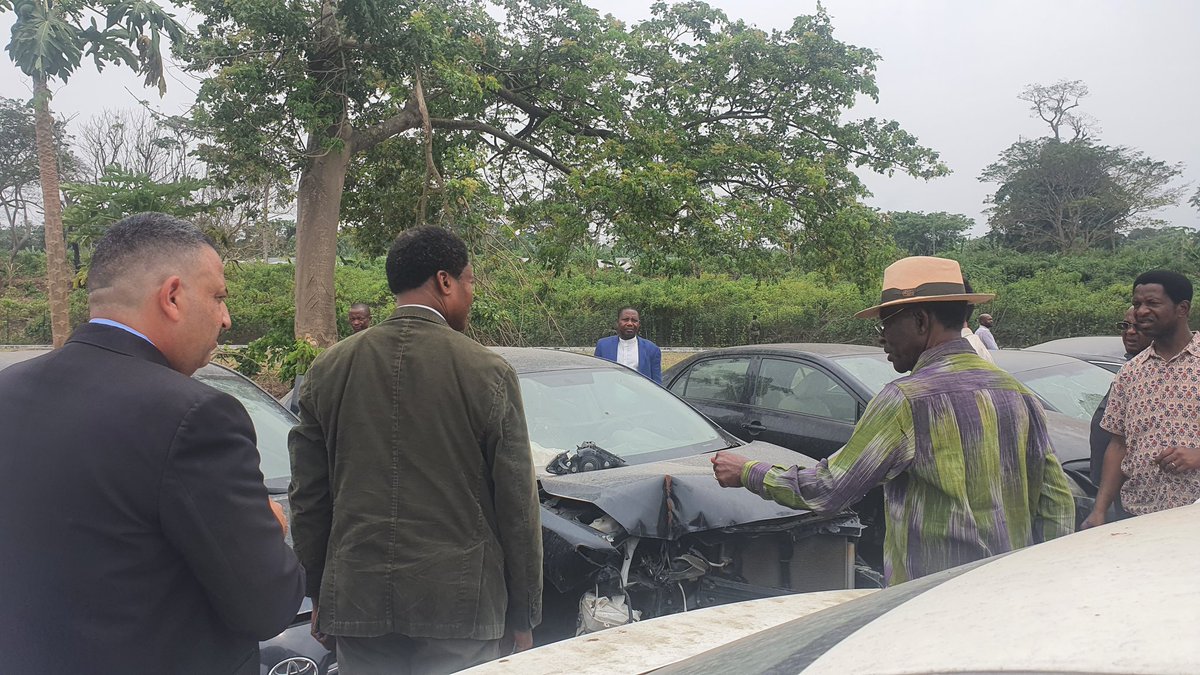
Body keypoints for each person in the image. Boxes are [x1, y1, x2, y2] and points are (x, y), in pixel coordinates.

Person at [0, 212, 305, 673]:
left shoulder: (10, 390)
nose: (226, 318)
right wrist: (270, 526)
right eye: (219, 297)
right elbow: (268, 607)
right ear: (173, 296)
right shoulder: (195, 417)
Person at [710, 256, 1074, 585]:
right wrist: (1043, 581)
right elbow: (1057, 499)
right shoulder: (1017, 392)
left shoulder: (906, 399)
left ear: (920, 320)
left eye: (886, 323)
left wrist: (748, 471)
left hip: (929, 600)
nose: (882, 338)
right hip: (1007, 590)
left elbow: (830, 490)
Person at [289, 225, 542, 675]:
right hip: (460, 608)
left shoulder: (329, 369)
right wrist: (522, 613)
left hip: (357, 600)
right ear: (445, 282)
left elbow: (308, 498)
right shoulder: (487, 371)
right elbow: (517, 508)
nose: (472, 294)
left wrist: (319, 595)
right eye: (470, 283)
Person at [1084, 271, 1200, 529]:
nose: (1141, 311)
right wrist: (1100, 510)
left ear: (1182, 308)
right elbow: (1117, 444)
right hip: (1140, 519)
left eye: (1152, 304)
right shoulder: (1130, 372)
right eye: (1137, 304)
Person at [1087, 306, 1151, 486]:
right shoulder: (1128, 370)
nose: (1130, 332)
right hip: (1111, 484)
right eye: (1125, 325)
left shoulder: (1163, 374)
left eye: (1138, 327)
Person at [593, 307, 662, 384]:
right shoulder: (603, 346)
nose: (630, 323)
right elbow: (596, 377)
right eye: (625, 319)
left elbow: (657, 383)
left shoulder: (652, 349)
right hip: (609, 394)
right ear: (617, 322)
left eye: (634, 320)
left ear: (639, 324)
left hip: (640, 394)